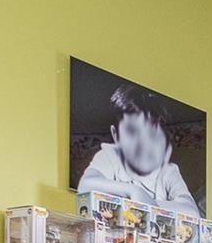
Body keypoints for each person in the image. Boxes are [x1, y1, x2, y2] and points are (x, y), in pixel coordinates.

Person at [76, 84, 201, 216]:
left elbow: (192, 211)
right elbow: (85, 185)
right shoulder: (111, 157)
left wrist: (149, 204)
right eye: (132, 131)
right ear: (116, 134)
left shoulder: (167, 171)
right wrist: (133, 191)